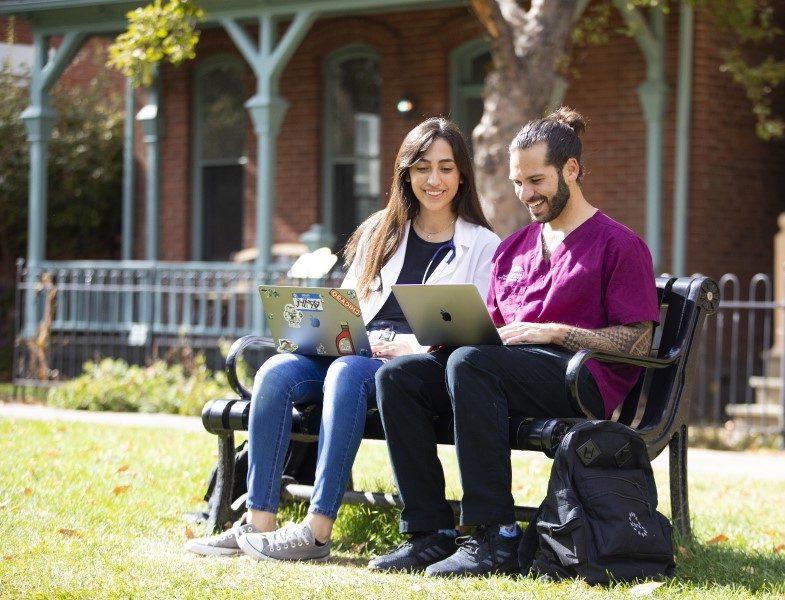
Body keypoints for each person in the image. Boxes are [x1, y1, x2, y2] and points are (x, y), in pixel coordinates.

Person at [186, 117, 500, 562]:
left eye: (446, 168)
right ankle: (258, 523)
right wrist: (319, 328)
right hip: (355, 348)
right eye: (423, 167)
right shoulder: (381, 230)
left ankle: (317, 530)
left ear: (462, 174)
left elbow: (476, 328)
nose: (434, 179)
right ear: (405, 173)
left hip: (411, 364)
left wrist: (410, 344)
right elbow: (349, 303)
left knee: (348, 372)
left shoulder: (483, 246)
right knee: (276, 371)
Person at [369, 107, 661, 577]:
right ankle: (430, 533)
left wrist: (558, 331)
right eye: (518, 182)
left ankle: (494, 538)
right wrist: (442, 338)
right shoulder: (515, 247)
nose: (526, 194)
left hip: (579, 378)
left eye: (537, 181)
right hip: (503, 372)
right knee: (401, 378)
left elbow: (638, 343)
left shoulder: (618, 245)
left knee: (470, 365)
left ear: (571, 169)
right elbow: (491, 334)